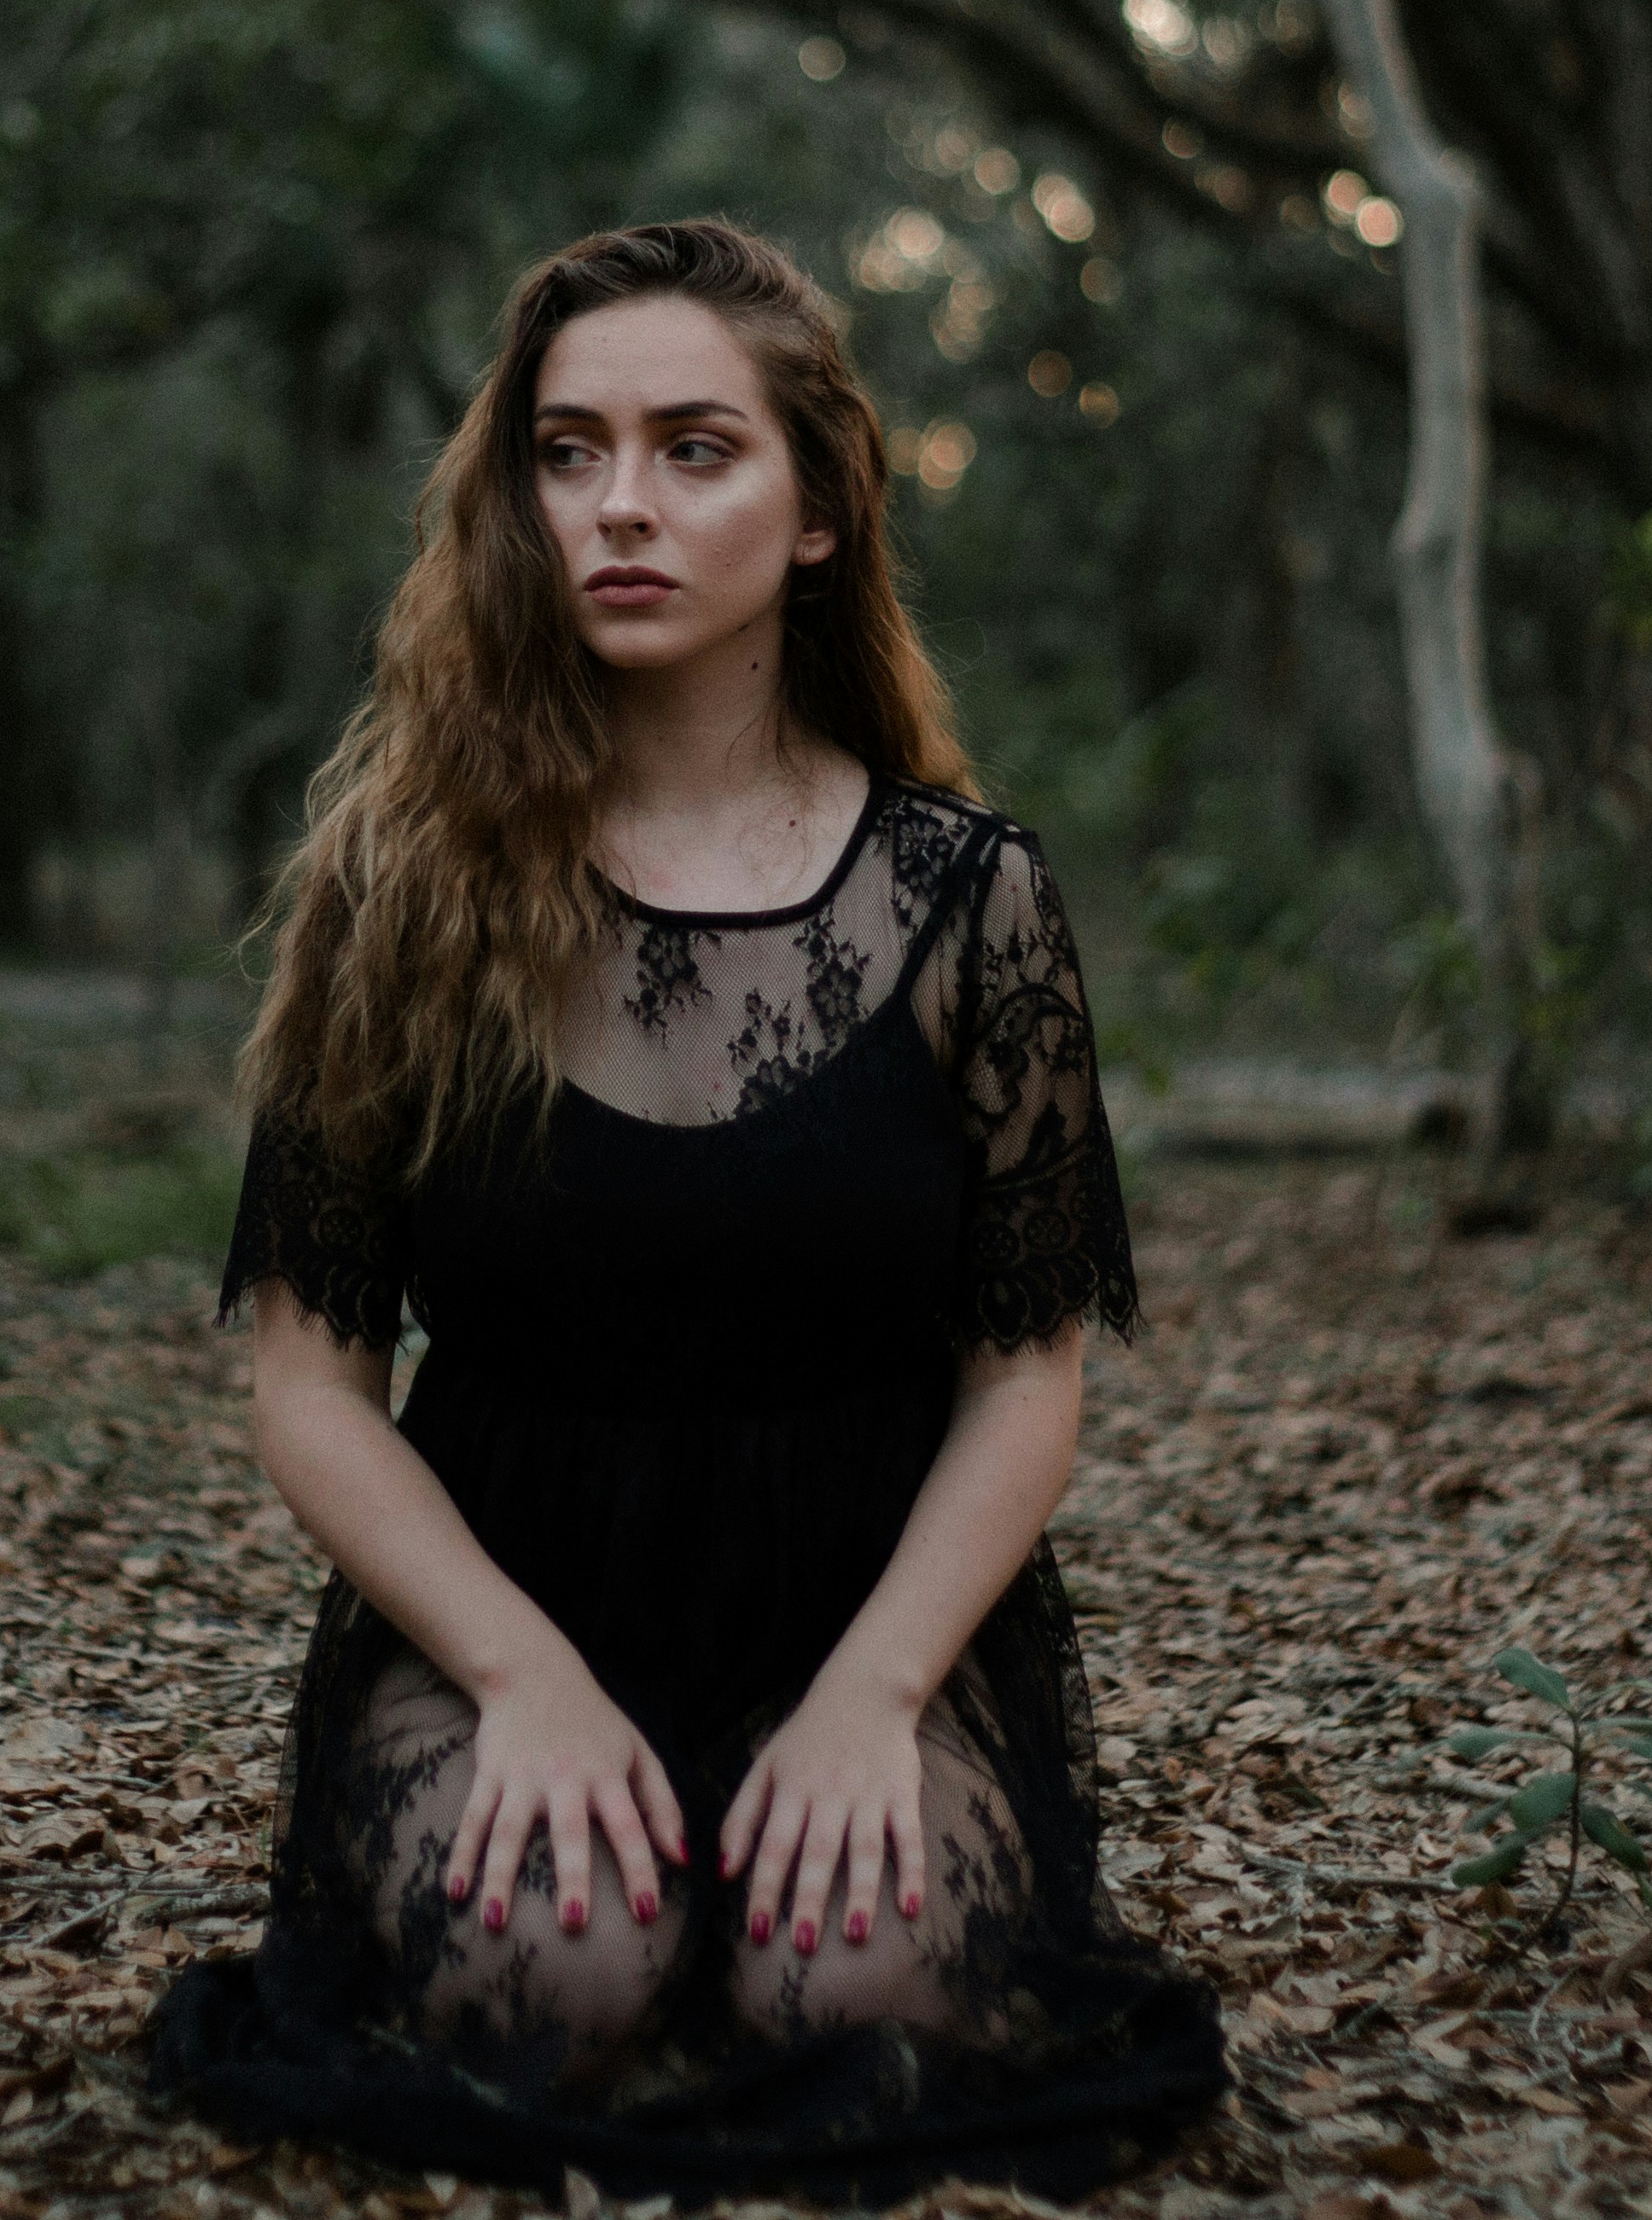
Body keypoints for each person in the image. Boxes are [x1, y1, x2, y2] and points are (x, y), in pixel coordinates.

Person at [146, 218, 1224, 2204]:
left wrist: (882, 1695)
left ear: (820, 511)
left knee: (861, 1985)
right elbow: (311, 1383)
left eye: (694, 449)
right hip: (507, 1588)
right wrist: (517, 1676)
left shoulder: (968, 900)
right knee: (551, 1978)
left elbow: (1028, 1373)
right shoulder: (401, 885)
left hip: (861, 1595)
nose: (618, 507)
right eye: (567, 452)